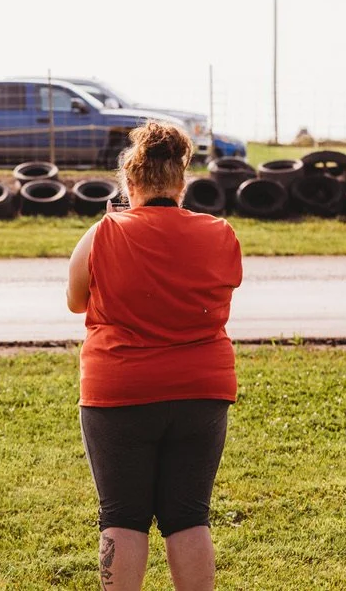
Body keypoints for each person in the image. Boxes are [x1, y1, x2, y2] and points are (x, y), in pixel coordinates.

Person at [66, 121, 243, 591]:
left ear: (129, 181)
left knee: (123, 516)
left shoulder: (103, 233)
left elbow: (76, 300)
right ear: (182, 183)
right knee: (188, 516)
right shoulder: (220, 233)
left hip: (119, 390)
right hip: (202, 389)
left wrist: (115, 221)